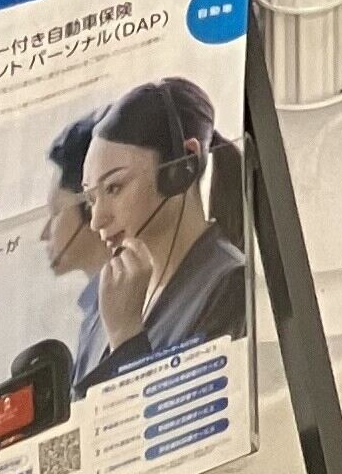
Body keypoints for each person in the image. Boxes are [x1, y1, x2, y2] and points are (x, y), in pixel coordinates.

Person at [77, 77, 248, 386]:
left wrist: (126, 336)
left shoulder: (231, 287)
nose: (97, 220)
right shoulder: (104, 302)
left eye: (114, 187)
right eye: (91, 199)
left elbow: (194, 410)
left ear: (183, 166)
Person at [39, 111, 110, 384]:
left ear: (91, 206)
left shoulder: (122, 304)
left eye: (56, 212)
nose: (44, 234)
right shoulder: (96, 307)